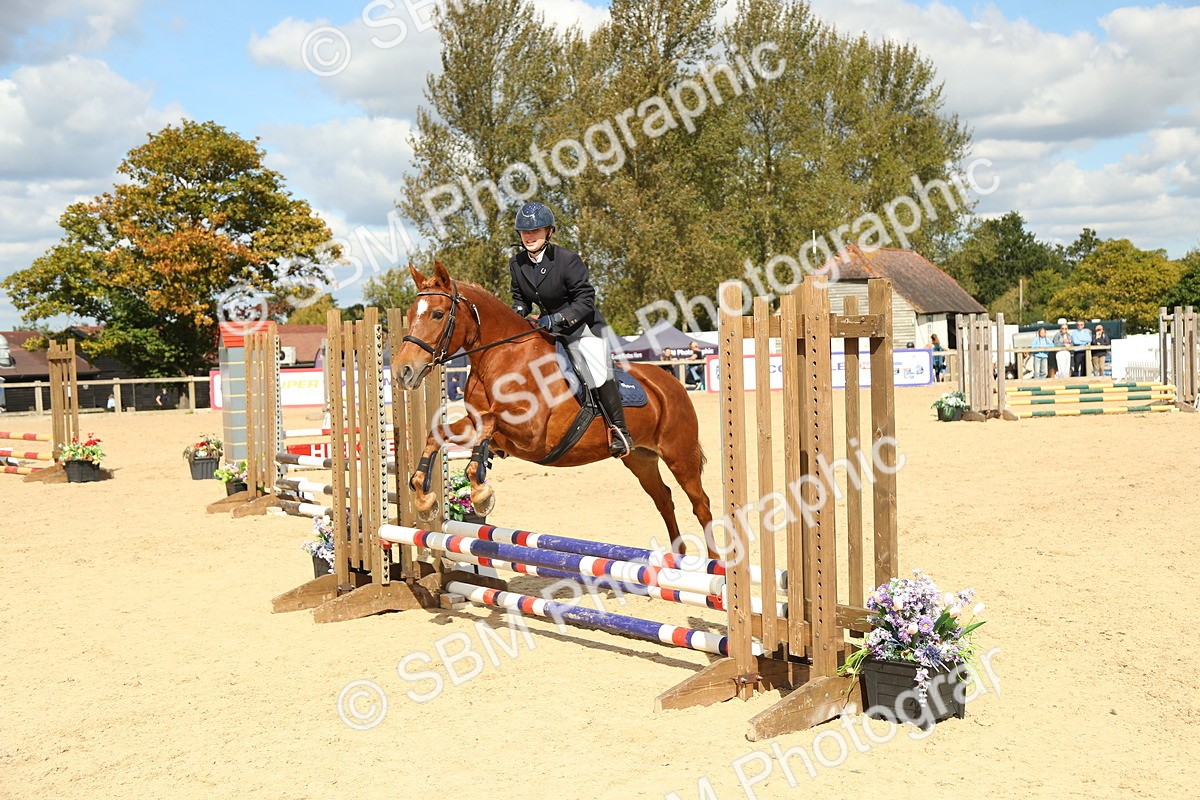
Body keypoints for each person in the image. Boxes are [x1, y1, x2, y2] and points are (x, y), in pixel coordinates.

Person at [508, 201, 631, 458]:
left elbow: (585, 300)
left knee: (597, 368)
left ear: (549, 231)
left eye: (536, 231)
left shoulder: (567, 260)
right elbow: (521, 299)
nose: (529, 236)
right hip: (546, 328)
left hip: (581, 326)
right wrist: (517, 313)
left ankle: (620, 430)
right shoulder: (517, 263)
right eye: (525, 232)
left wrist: (557, 318)